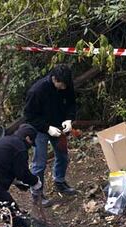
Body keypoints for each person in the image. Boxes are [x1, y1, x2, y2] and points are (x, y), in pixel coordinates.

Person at [24, 64, 77, 206]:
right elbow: (29, 116)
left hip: (59, 127)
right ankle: (37, 194)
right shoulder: (37, 91)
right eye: (61, 85)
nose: (63, 88)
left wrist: (69, 119)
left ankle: (59, 181)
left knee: (63, 156)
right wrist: (47, 128)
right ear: (54, 79)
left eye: (66, 85)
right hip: (40, 130)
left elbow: (72, 103)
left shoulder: (67, 85)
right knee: (39, 163)